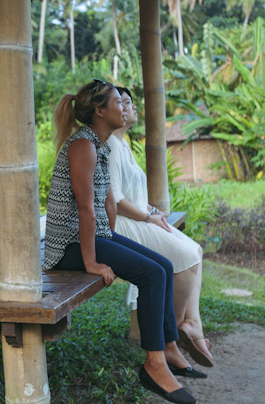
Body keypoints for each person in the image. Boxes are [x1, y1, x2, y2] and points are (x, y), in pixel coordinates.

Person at [44, 80, 200, 404]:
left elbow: (105, 204)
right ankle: (154, 364)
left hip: (90, 235)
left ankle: (167, 347)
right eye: (118, 102)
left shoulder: (98, 144)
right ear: (100, 111)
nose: (125, 107)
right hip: (67, 248)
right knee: (153, 274)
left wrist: (111, 238)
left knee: (164, 266)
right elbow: (86, 209)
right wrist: (92, 262)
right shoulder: (83, 145)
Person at [108, 86, 213, 368]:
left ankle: (190, 322)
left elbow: (133, 196)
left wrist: (151, 211)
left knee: (196, 251)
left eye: (129, 102)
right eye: (122, 102)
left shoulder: (123, 143)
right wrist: (146, 218)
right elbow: (115, 200)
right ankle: (172, 333)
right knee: (188, 259)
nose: (129, 108)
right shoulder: (109, 145)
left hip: (138, 218)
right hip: (122, 225)